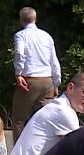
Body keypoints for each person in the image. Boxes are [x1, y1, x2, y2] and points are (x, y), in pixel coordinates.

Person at [11, 7, 61, 143]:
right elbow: (54, 61)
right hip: (47, 81)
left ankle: (19, 150)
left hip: (30, 80)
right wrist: (56, 82)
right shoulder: (46, 36)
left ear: (21, 20)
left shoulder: (20, 36)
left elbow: (20, 54)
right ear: (35, 19)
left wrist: (18, 73)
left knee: (19, 118)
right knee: (44, 118)